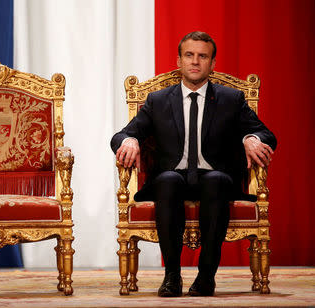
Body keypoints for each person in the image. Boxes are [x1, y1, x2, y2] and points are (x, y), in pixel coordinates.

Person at [110, 31, 277, 297]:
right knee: (167, 179)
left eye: (203, 56)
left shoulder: (231, 100)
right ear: (179, 61)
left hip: (216, 182)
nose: (195, 61)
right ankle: (172, 276)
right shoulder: (158, 100)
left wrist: (251, 137)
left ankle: (206, 277)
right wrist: (129, 140)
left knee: (216, 179)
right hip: (171, 181)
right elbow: (121, 135)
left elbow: (267, 134)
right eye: (189, 55)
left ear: (212, 64)